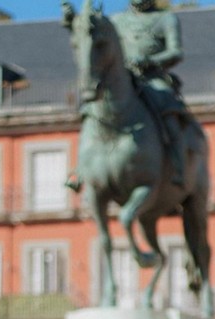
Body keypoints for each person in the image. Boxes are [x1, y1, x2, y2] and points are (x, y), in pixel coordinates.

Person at [63, 0, 188, 189]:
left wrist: (149, 61)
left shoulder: (165, 18)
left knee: (169, 115)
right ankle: (80, 169)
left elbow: (176, 52)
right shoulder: (117, 20)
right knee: (91, 112)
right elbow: (88, 36)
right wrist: (71, 21)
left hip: (152, 78)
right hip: (122, 78)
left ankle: (179, 168)